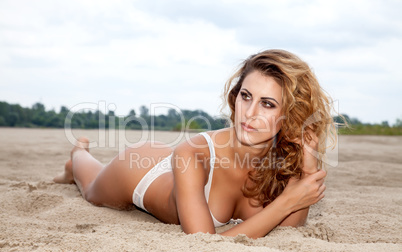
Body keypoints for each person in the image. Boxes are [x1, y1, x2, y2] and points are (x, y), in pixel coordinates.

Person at [54, 49, 336, 239]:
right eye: (246, 96)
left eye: (268, 104)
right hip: (141, 171)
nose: (249, 113)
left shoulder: (286, 156)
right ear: (235, 97)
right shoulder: (192, 153)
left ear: (290, 115)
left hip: (183, 170)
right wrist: (287, 201)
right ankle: (77, 157)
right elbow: (204, 244)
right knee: (90, 188)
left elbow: (289, 233)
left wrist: (307, 174)